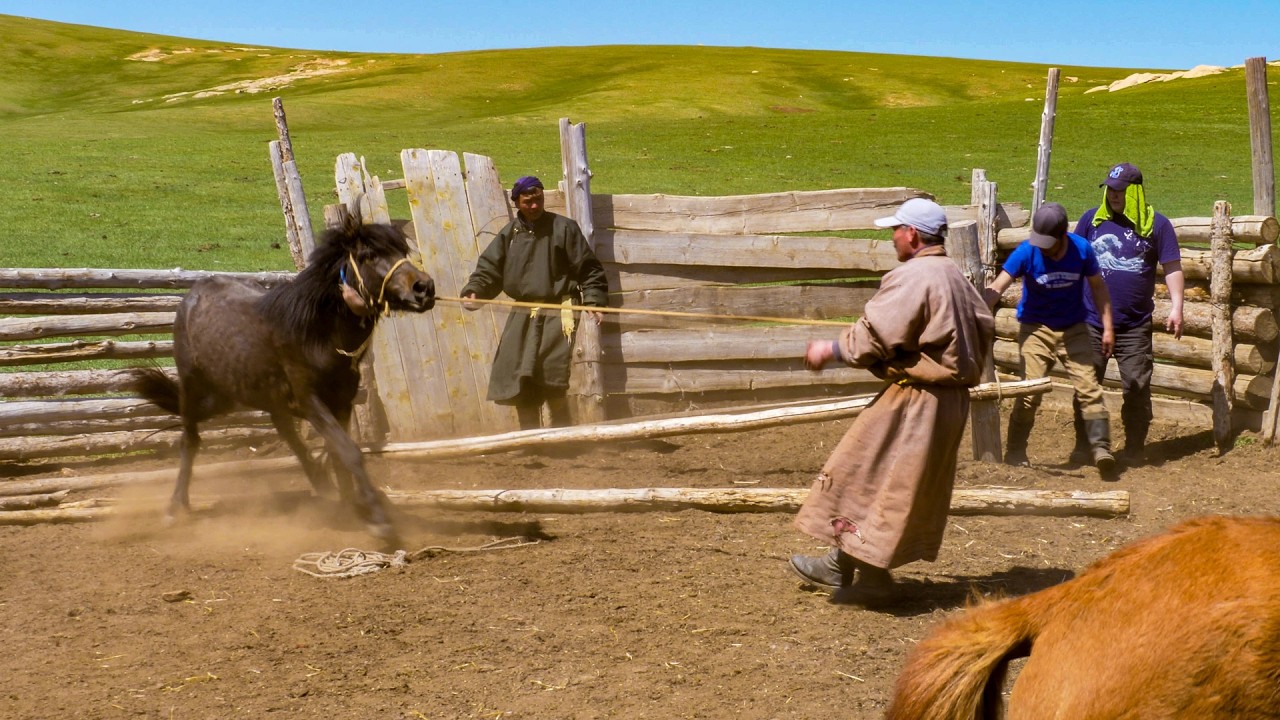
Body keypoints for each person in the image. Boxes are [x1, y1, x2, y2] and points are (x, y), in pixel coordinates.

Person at [788, 198, 995, 606]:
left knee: (883, 481)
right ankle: (840, 562)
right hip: (945, 400)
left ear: (913, 234)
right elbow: (984, 323)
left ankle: (873, 579)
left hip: (920, 399)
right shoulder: (953, 274)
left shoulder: (915, 276)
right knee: (868, 471)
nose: (892, 237)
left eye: (895, 230)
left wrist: (831, 349)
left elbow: (875, 336)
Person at [461, 176, 609, 430]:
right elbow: (489, 271)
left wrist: (594, 299)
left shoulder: (564, 228)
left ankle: (561, 437)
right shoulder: (510, 234)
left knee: (551, 371)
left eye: (538, 200)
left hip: (559, 309)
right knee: (520, 371)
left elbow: (589, 269)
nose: (534, 206)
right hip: (524, 311)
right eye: (528, 202)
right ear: (517, 202)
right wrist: (475, 291)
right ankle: (530, 438)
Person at [983, 202, 1116, 471]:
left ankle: (1100, 448)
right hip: (1036, 328)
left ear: (1062, 235)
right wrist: (981, 304)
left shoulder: (1081, 250)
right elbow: (998, 286)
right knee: (1030, 391)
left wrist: (1108, 327)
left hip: (1074, 327)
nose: (1042, 247)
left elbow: (1099, 288)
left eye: (1047, 242)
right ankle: (1016, 451)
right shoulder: (1027, 251)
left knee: (1090, 388)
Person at [1070, 163, 1184, 465]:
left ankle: (1134, 448)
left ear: (1134, 191)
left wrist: (1177, 307)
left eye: (1120, 190)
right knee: (1087, 383)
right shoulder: (1090, 222)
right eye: (1110, 188)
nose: (1113, 195)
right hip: (1091, 321)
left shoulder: (1156, 225)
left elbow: (1172, 267)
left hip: (1134, 324)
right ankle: (1089, 446)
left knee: (1136, 386)